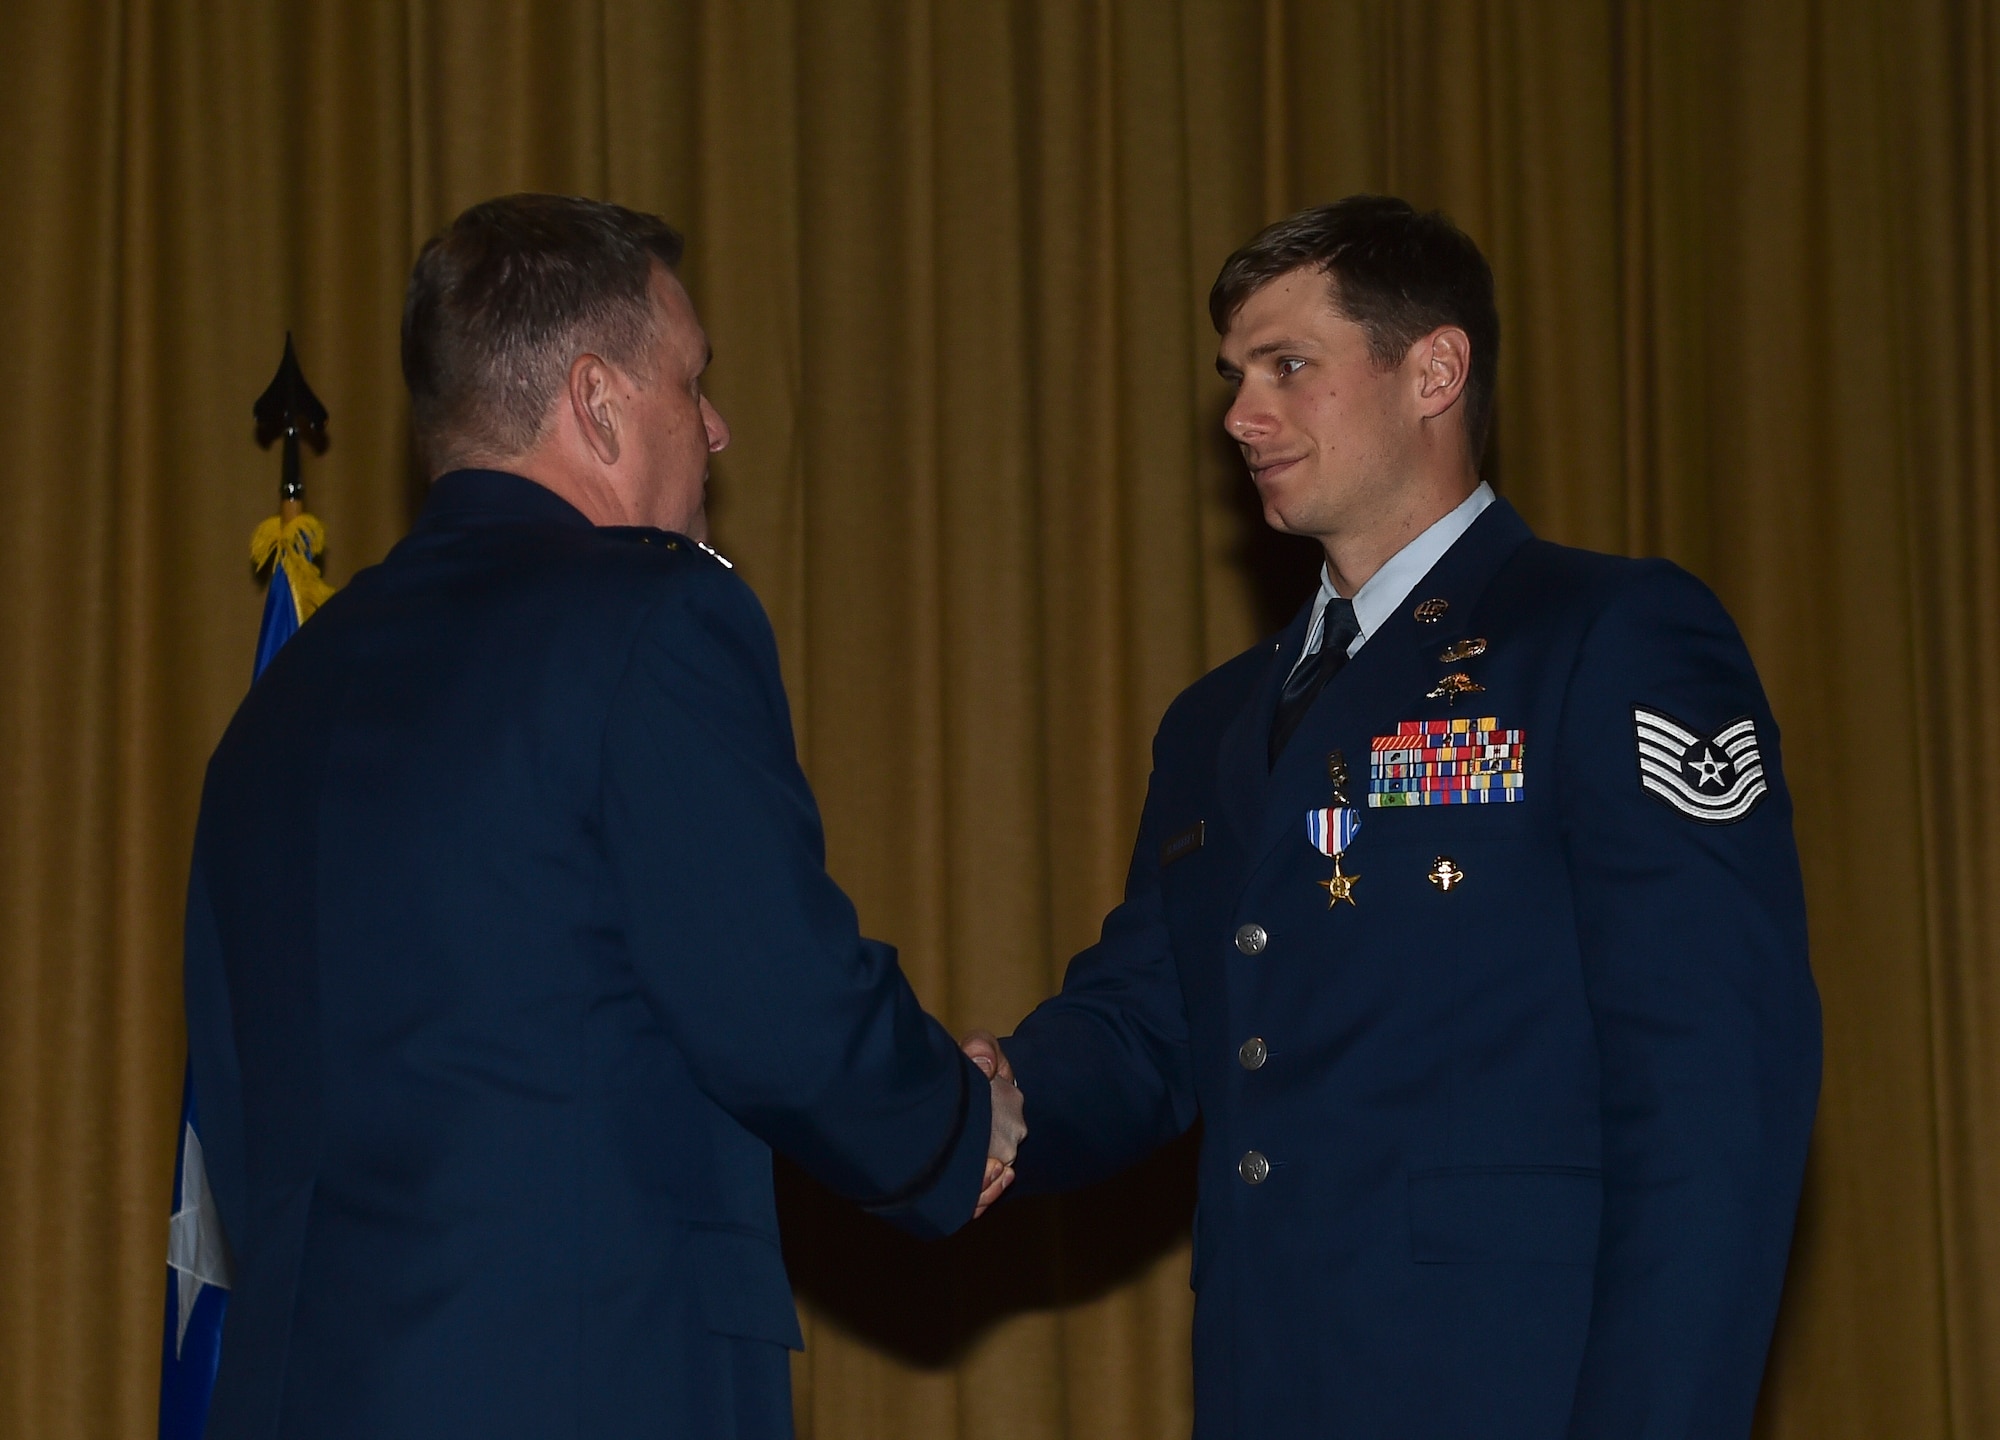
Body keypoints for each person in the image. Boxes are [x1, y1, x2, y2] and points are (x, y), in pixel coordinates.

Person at [964, 195, 1820, 1438]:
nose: (1238, 416)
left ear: (1433, 369)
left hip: (1518, 1388)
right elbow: (1152, 1021)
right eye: (1232, 376)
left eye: (1287, 367)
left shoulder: (1601, 637)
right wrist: (983, 1102)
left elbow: (1714, 1083)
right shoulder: (1214, 719)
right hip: (1274, 1388)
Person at [182, 194, 1023, 1440]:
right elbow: (778, 1008)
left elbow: (238, 1101)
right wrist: (959, 1126)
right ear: (598, 401)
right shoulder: (653, 618)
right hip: (585, 1378)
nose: (719, 428)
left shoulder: (277, 704)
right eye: (693, 383)